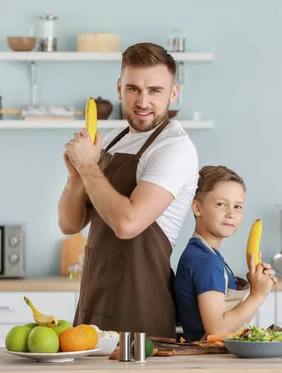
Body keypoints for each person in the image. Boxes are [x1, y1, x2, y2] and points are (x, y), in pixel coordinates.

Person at [59, 42, 199, 338]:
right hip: (94, 300)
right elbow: (69, 224)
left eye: (155, 91)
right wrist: (75, 178)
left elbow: (127, 223)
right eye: (133, 89)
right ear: (120, 88)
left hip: (140, 309)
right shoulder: (112, 139)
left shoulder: (174, 148)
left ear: (173, 94)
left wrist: (88, 168)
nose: (143, 101)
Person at [174, 165, 277, 342]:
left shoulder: (207, 255)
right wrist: (257, 295)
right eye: (221, 204)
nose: (231, 214)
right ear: (197, 208)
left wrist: (256, 283)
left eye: (238, 206)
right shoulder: (205, 261)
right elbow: (216, 329)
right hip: (209, 360)